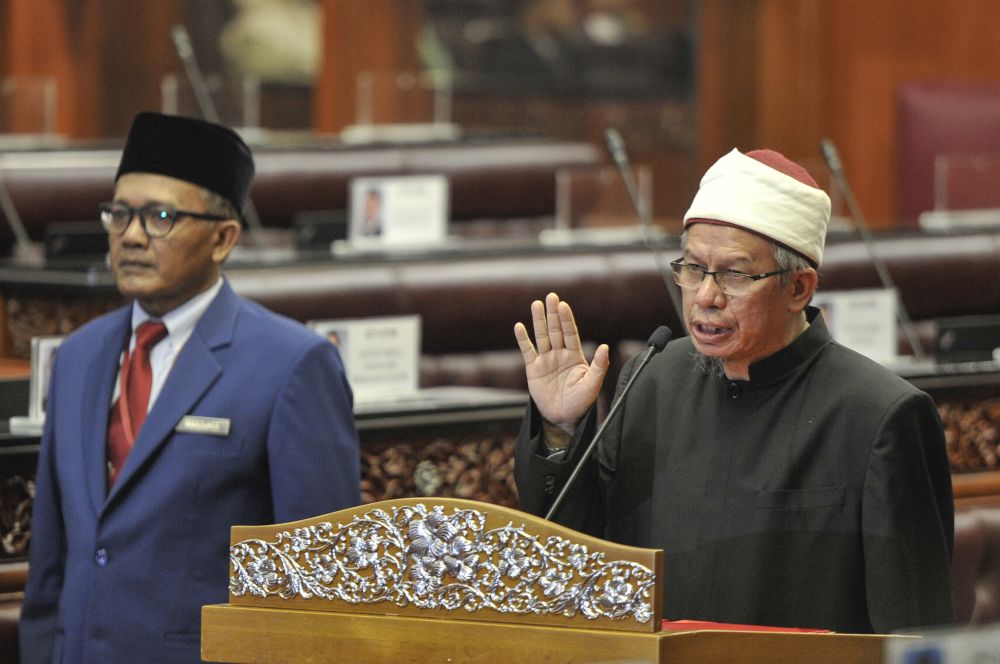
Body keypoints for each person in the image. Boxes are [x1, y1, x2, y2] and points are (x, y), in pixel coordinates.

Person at [513, 147, 954, 634]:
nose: (706, 296)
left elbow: (915, 629)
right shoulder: (653, 379)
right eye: (694, 269)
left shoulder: (880, 416)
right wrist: (560, 429)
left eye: (735, 274)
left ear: (798, 289)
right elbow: (577, 558)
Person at [19, 112, 361, 663]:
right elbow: (51, 563)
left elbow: (321, 581)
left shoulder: (292, 364)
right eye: (119, 214)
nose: (131, 236)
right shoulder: (79, 356)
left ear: (223, 238)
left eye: (159, 217)